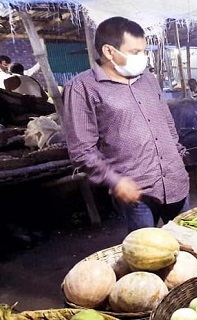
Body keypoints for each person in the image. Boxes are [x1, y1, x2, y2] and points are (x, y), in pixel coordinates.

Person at [60, 16, 190, 232]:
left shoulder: (148, 78)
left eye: (144, 51)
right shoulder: (83, 88)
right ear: (109, 51)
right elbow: (82, 150)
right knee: (148, 255)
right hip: (136, 191)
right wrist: (115, 180)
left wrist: (178, 155)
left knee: (189, 247)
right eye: (135, 52)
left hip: (176, 181)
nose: (143, 58)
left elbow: (166, 123)